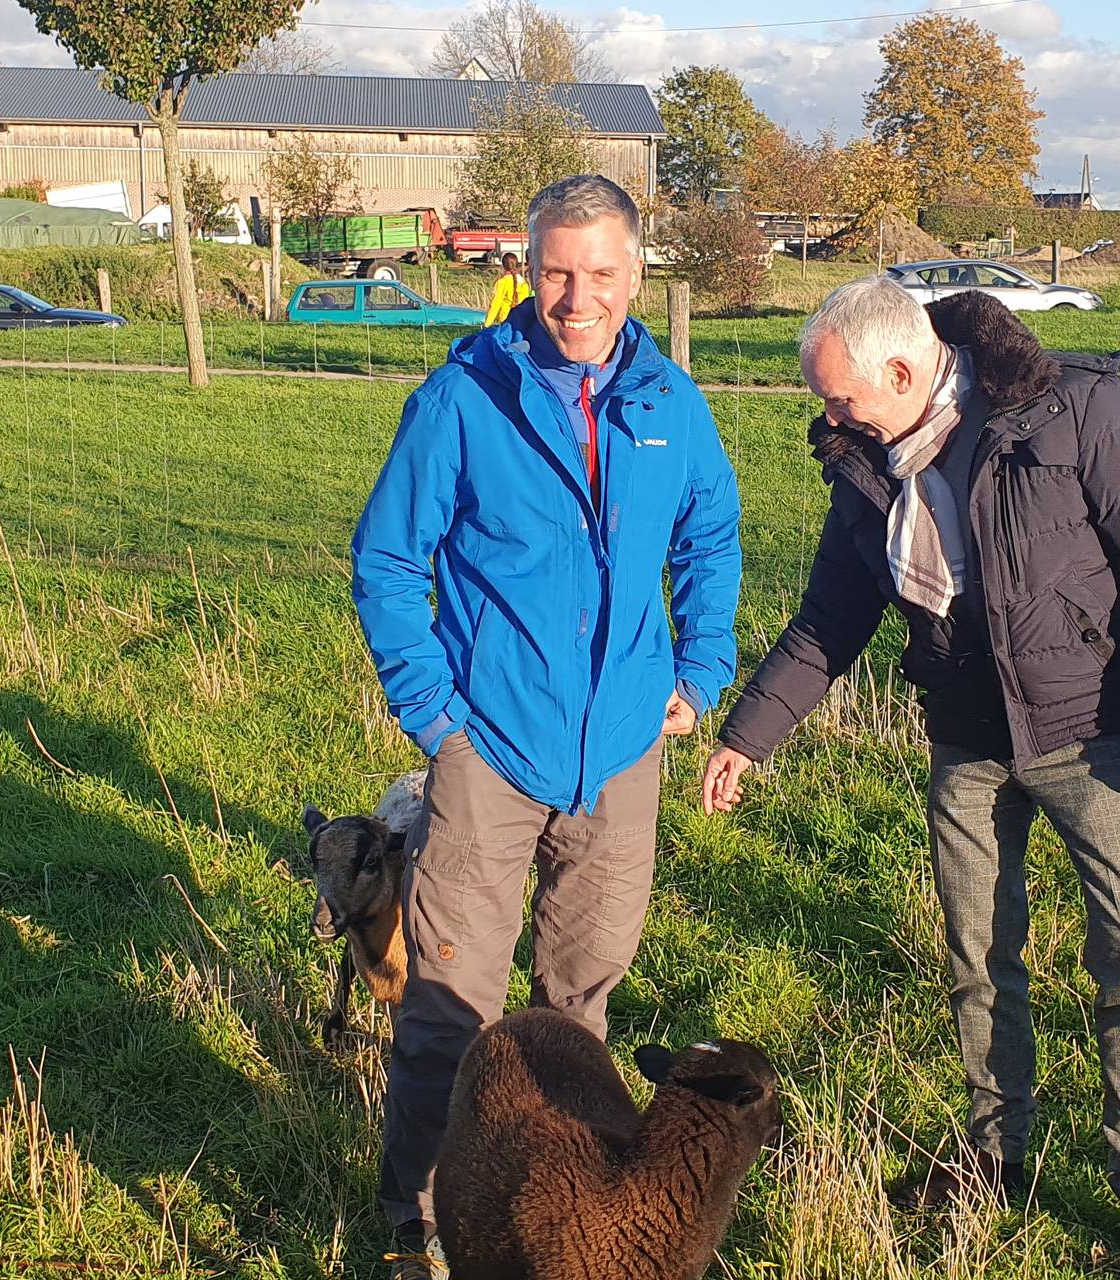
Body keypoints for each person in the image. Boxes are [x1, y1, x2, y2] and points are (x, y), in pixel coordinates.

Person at [699, 277, 1120, 1273]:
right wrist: (747, 735)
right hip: (966, 739)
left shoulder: (1070, 409)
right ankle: (993, 1156)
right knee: (978, 957)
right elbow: (829, 618)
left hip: (1099, 730)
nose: (828, 416)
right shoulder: (862, 465)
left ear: (900, 371)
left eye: (840, 397)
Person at [351, 174, 743, 1278]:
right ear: (528, 268)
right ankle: (418, 1224)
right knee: (449, 1010)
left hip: (619, 755)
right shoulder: (461, 399)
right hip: (489, 751)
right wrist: (435, 715)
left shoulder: (671, 404)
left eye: (601, 274)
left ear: (635, 273)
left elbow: (710, 541)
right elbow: (386, 559)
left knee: (576, 1016)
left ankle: (555, 1225)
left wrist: (699, 665)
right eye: (557, 272)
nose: (578, 298)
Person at [482, 251, 534, 325]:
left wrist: (487, 324)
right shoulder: (523, 283)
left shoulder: (502, 282)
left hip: (505, 320)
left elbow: (495, 304)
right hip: (521, 322)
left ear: (503, 266)